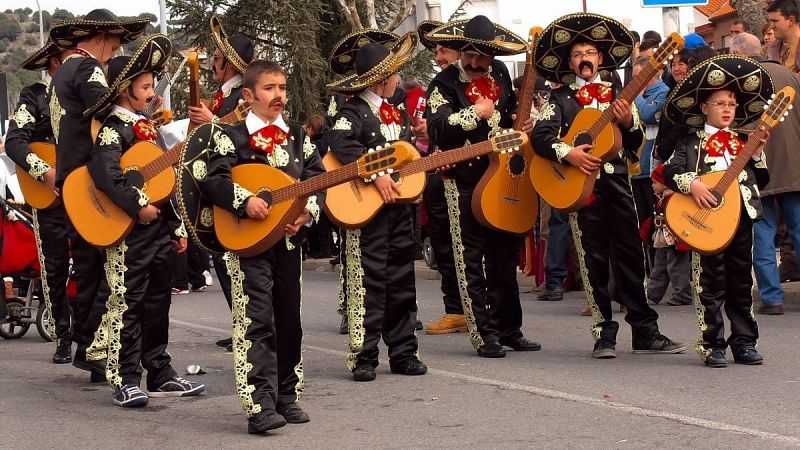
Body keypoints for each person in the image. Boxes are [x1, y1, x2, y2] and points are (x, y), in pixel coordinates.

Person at [531, 13, 685, 359]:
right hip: (580, 189)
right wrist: (568, 153)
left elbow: (631, 143)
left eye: (590, 52)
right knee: (592, 258)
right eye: (577, 54)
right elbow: (540, 137)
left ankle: (645, 331)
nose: (584, 58)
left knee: (631, 254)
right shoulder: (561, 99)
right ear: (570, 63)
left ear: (600, 58)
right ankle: (604, 334)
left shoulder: (619, 94)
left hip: (617, 182)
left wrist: (629, 120)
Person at [80, 34, 205, 406]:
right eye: (146, 87)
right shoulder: (113, 130)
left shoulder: (147, 130)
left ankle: (160, 370)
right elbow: (107, 177)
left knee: (157, 303)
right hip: (127, 232)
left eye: (152, 86)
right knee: (127, 303)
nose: (153, 94)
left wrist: (175, 226)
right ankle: (125, 376)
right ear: (124, 91)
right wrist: (138, 206)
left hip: (157, 232)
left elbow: (164, 183)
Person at [201, 59, 323, 433]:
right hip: (246, 243)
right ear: (249, 95)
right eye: (269, 89)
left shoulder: (298, 138)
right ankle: (259, 405)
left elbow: (316, 180)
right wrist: (244, 201)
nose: (278, 96)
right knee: (257, 321)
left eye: (283, 88)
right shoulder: (229, 135)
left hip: (286, 242)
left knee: (290, 321)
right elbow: (212, 179)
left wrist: (307, 213)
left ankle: (287, 396)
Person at [426, 15, 540, 358]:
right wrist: (474, 113)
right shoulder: (443, 84)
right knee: (470, 259)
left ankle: (510, 329)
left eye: (482, 57)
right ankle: (484, 334)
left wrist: (524, 124)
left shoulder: (503, 73)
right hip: (462, 181)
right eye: (469, 56)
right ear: (461, 52)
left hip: (501, 177)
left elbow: (508, 118)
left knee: (505, 255)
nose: (475, 64)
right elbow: (437, 130)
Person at [48, 8, 149, 381]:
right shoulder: (89, 69)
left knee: (88, 269)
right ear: (103, 39)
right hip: (93, 180)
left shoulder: (60, 74)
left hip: (71, 184)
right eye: (117, 43)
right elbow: (106, 108)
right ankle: (95, 349)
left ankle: (87, 348)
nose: (115, 52)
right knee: (109, 268)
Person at [327, 33, 428, 381]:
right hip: (366, 213)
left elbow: (405, 157)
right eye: (394, 74)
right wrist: (376, 174)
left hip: (397, 209)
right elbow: (338, 141)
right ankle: (364, 356)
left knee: (402, 280)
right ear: (381, 79)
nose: (399, 79)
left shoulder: (396, 113)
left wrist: (411, 184)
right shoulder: (352, 110)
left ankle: (403, 353)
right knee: (367, 282)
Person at [662, 54, 772, 368]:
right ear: (703, 108)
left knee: (740, 281)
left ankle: (745, 342)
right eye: (720, 103)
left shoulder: (743, 141)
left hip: (741, 219)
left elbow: (760, 180)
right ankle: (712, 344)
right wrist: (693, 184)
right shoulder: (690, 142)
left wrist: (758, 155)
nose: (727, 109)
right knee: (708, 283)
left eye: (732, 104)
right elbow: (670, 170)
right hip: (705, 222)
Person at [188, 14, 255, 351]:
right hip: (215, 184)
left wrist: (212, 121)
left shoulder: (242, 98)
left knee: (233, 261)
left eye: (215, 58)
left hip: (234, 184)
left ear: (229, 63)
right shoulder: (222, 95)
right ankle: (240, 323)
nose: (212, 63)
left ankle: (248, 326)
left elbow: (242, 135)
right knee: (222, 258)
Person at [5, 39, 74, 364]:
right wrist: (44, 171)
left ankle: (92, 339)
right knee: (54, 267)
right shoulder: (34, 95)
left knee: (94, 268)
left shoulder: (88, 96)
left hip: (87, 194)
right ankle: (63, 335)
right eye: (68, 60)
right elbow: (15, 141)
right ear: (53, 65)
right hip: (50, 198)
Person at [730, 32, 800, 315]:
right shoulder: (789, 75)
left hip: (756, 168)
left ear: (738, 54)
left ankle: (772, 299)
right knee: (799, 229)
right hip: (793, 167)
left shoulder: (741, 79)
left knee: (762, 232)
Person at [414, 20, 468, 335]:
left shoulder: (479, 81)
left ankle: (477, 308)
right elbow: (432, 129)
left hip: (470, 174)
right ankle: (456, 309)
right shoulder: (440, 84)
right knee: (444, 245)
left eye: (443, 49)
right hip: (439, 172)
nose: (438, 56)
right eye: (435, 50)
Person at [645, 164, 691, 306]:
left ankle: (682, 295)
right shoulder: (661, 198)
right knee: (659, 267)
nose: (652, 186)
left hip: (675, 238)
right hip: (663, 237)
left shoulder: (676, 199)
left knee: (677, 268)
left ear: (665, 183)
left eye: (655, 183)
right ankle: (653, 294)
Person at [766, 0, 800, 75]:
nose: (771, 26)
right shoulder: (768, 49)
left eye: (775, 21)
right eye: (770, 21)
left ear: (791, 20)